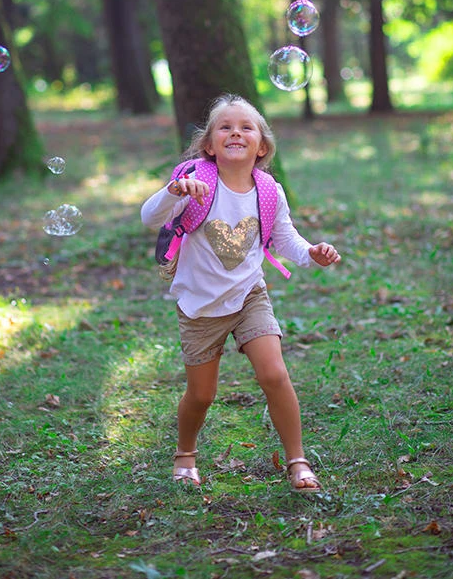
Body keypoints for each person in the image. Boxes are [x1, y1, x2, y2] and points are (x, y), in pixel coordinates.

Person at [141, 94, 340, 492]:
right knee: (202, 394)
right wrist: (174, 192)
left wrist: (311, 253)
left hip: (250, 295)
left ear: (261, 146)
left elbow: (286, 238)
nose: (236, 132)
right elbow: (150, 218)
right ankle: (185, 454)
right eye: (225, 127)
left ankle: (297, 460)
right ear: (209, 145)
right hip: (200, 306)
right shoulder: (194, 184)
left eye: (246, 127)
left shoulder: (268, 191)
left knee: (275, 374)